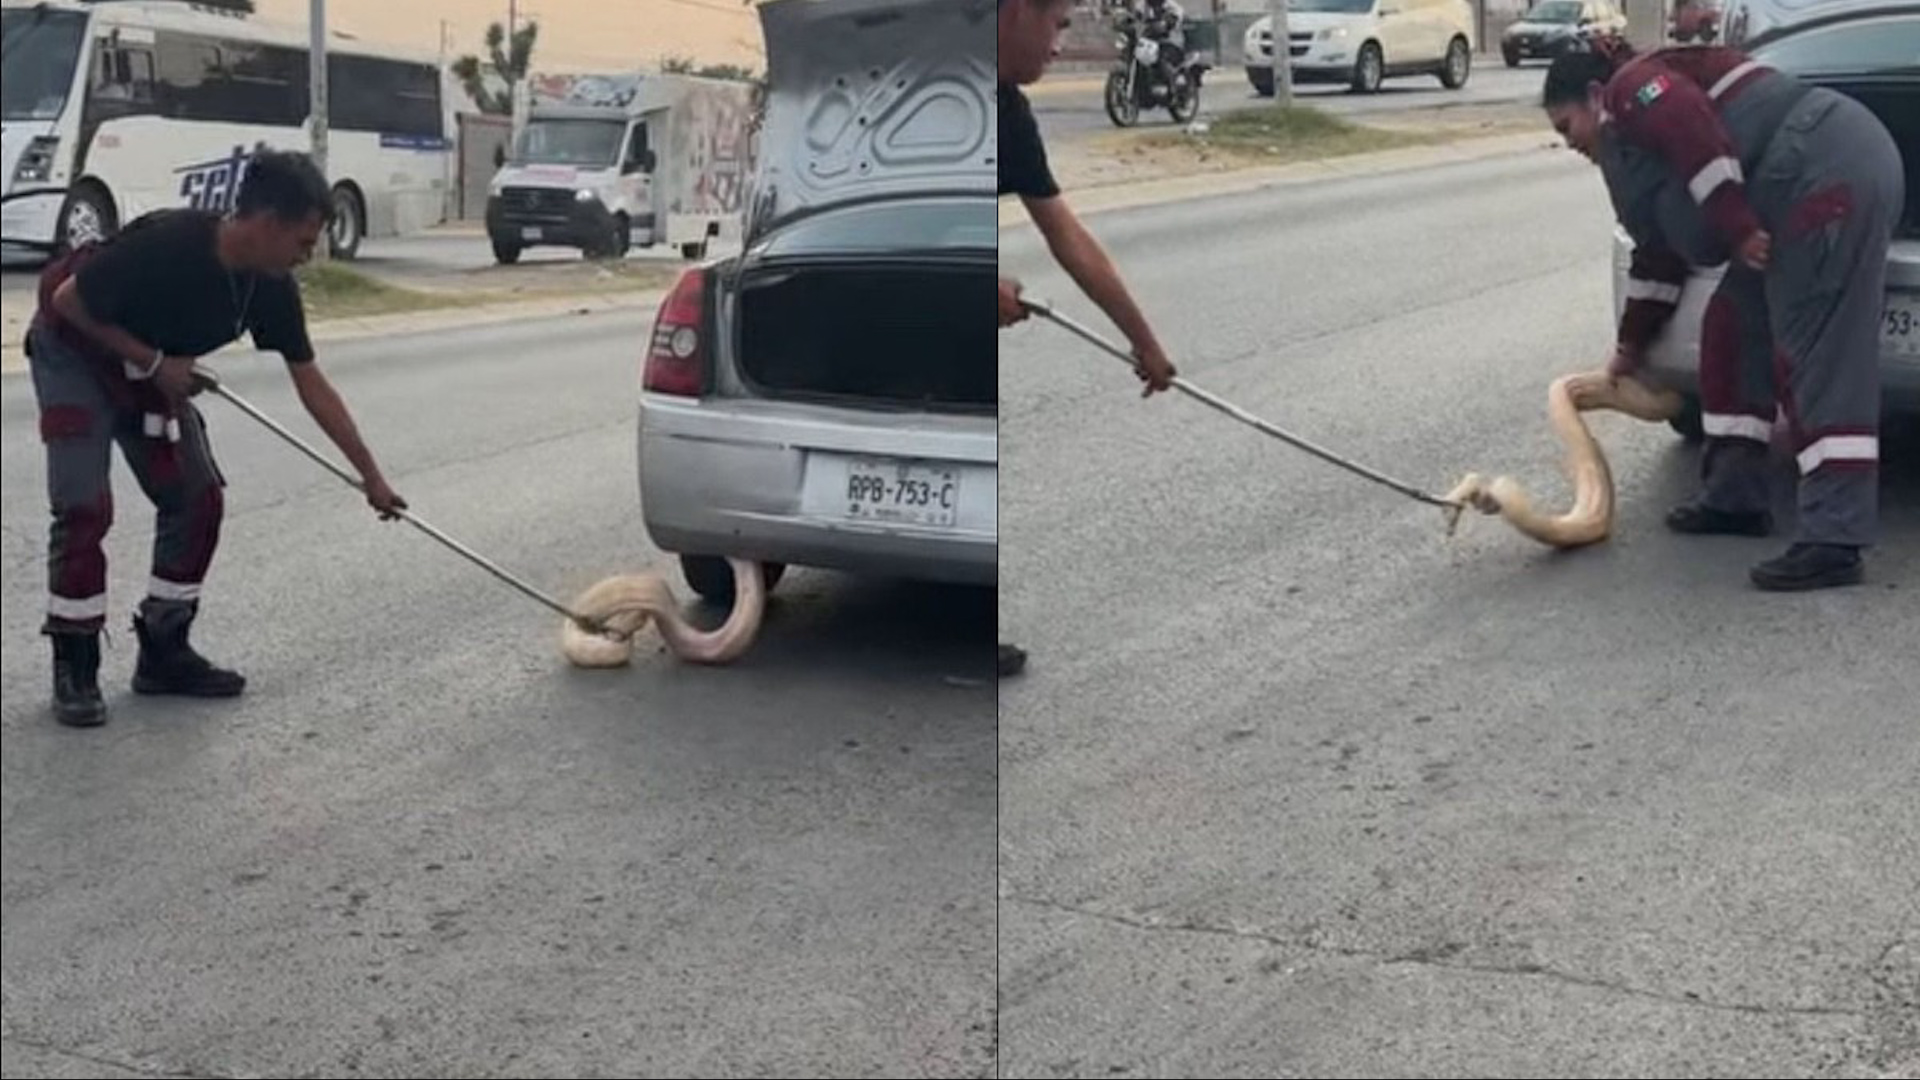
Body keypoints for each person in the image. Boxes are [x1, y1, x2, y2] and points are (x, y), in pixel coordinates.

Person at [27, 149, 408, 727]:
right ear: (267, 223)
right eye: (303, 242)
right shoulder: (169, 244)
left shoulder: (270, 287)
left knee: (196, 497)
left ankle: (164, 651)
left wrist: (372, 478)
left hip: (151, 365)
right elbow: (67, 301)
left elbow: (312, 384)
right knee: (84, 505)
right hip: (75, 350)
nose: (307, 257)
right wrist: (154, 361)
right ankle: (74, 663)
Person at [1540, 39, 1901, 590]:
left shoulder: (1633, 86)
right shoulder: (1632, 158)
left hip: (1825, 172)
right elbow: (1659, 257)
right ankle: (1734, 497)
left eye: (1568, 127)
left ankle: (1835, 538)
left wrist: (1736, 226)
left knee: (1818, 357)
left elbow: (1690, 127)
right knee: (1732, 326)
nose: (1570, 145)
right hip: (1786, 196)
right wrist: (1629, 348)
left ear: (1594, 97)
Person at [998, 0, 1180, 679]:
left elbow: (1066, 235)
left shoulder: (1008, 113)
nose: (1062, 39)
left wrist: (1146, 345)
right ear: (1016, 12)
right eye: (1059, 20)